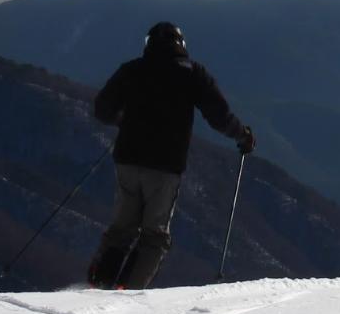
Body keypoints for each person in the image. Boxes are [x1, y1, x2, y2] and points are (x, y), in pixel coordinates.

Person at [86, 21, 255, 289]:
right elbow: (218, 116)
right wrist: (242, 135)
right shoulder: (193, 74)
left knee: (122, 227)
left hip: (127, 159)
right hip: (165, 166)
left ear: (148, 44)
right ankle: (127, 291)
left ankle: (98, 283)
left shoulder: (132, 70)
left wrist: (124, 121)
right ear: (181, 45)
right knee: (154, 236)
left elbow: (102, 109)